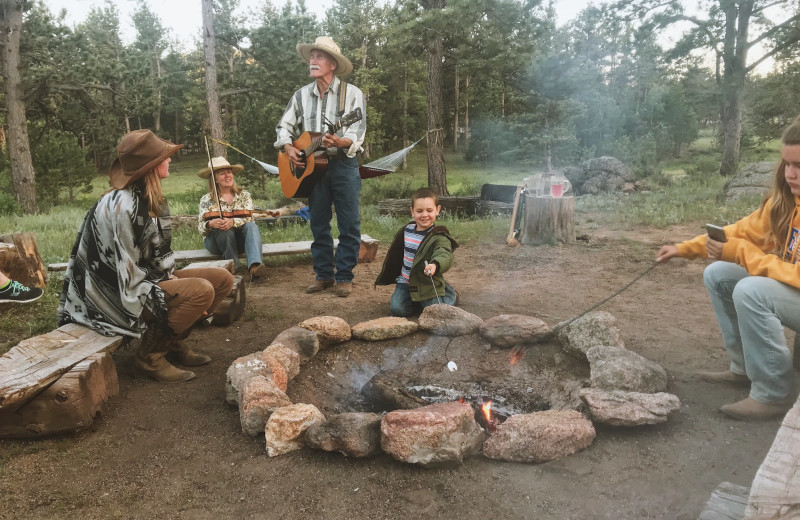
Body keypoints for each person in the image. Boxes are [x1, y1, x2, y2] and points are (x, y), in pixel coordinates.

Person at [58, 129, 234, 383]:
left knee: (222, 279)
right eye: (165, 157)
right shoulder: (123, 207)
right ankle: (149, 358)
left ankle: (171, 342)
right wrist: (177, 290)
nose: (170, 160)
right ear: (151, 167)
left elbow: (152, 259)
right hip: (116, 297)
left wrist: (170, 279)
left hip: (143, 280)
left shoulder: (147, 198)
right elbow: (126, 274)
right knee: (201, 290)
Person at [657, 117, 800, 421]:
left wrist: (742, 253)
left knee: (752, 290)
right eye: (787, 164)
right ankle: (746, 367)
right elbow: (741, 231)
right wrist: (684, 248)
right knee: (719, 273)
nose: (791, 174)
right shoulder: (787, 201)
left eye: (799, 165)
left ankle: (773, 393)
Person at [275, 36, 366, 298]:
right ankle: (324, 274)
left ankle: (345, 276)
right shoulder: (301, 95)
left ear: (333, 64)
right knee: (318, 223)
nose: (312, 61)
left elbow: (357, 132)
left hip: (343, 164)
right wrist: (288, 147)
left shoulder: (353, 95)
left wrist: (340, 139)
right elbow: (284, 126)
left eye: (319, 57)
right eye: (311, 56)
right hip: (314, 168)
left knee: (349, 223)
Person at [375, 188, 459, 316]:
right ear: (412, 211)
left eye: (429, 210)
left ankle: (450, 294)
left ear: (437, 210)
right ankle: (415, 300)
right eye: (419, 211)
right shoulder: (406, 230)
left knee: (437, 312)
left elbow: (444, 254)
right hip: (405, 282)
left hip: (426, 284)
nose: (424, 215)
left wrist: (435, 264)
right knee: (398, 310)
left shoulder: (439, 236)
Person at [197, 156, 267, 280]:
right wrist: (210, 224)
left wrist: (233, 222)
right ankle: (232, 269)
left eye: (229, 172)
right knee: (224, 229)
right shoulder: (206, 199)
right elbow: (201, 228)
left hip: (239, 241)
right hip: (216, 242)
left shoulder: (244, 195)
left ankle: (255, 266)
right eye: (222, 173)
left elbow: (250, 218)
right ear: (215, 179)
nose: (227, 176)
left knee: (251, 226)